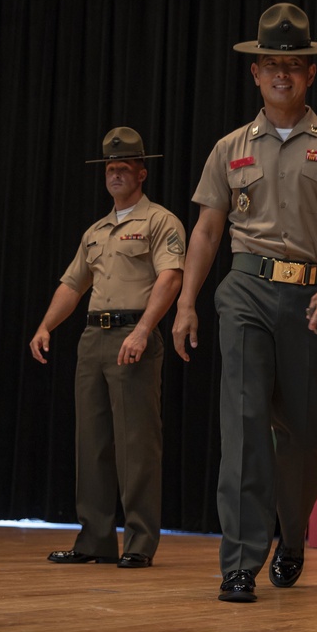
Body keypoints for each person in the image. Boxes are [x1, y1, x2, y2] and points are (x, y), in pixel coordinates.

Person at [172, 3, 317, 602]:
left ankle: (293, 534)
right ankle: (239, 561)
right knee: (244, 421)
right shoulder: (228, 148)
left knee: (306, 433)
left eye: (294, 63)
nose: (282, 73)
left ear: (311, 74)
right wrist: (186, 304)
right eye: (270, 64)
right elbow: (206, 232)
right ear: (254, 73)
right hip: (245, 291)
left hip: (313, 295)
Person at [30, 127, 185, 569]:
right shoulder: (96, 230)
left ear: (142, 172)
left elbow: (170, 278)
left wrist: (144, 330)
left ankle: (139, 542)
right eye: (109, 168)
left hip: (132, 335)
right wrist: (46, 325)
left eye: (124, 167)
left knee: (136, 444)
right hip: (92, 339)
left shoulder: (160, 222)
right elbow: (73, 284)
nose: (115, 174)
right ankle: (94, 539)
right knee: (92, 442)